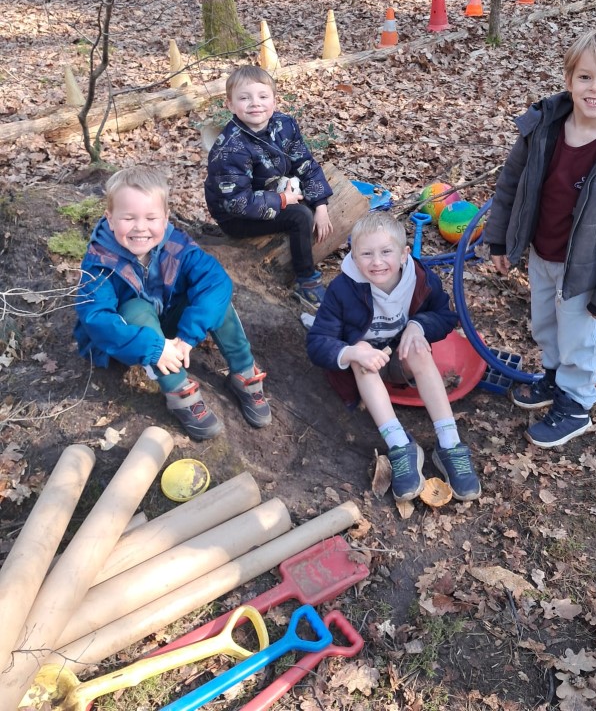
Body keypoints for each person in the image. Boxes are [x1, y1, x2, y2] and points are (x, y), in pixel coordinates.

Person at [485, 28, 596, 449]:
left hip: (586, 271)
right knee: (546, 323)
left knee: (581, 337)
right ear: (569, 79)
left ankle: (576, 404)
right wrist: (500, 241)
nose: (595, 88)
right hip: (543, 252)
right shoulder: (543, 127)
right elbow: (511, 185)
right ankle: (553, 377)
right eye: (586, 77)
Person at [74, 166, 272, 440]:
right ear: (110, 218)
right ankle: (179, 391)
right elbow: (96, 319)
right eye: (128, 218)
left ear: (166, 218)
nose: (140, 227)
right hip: (131, 336)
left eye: (151, 218)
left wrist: (188, 337)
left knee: (214, 297)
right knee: (135, 307)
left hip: (171, 325)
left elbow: (216, 281)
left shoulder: (178, 245)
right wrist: (154, 348)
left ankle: (243, 371)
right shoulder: (99, 262)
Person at [307, 211, 481, 503]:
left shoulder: (421, 279)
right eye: (366, 254)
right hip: (368, 368)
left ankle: (449, 442)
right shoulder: (342, 289)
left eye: (386, 252)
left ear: (403, 254)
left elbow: (445, 315)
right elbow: (317, 341)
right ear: (353, 256)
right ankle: (400, 443)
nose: (377, 262)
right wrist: (350, 351)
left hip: (402, 358)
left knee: (419, 347)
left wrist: (419, 325)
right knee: (360, 357)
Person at [205, 66, 333, 311]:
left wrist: (321, 204)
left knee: (311, 203)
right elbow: (237, 203)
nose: (255, 103)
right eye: (244, 98)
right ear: (230, 104)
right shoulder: (230, 148)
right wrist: (282, 200)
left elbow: (305, 163)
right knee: (300, 215)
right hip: (236, 215)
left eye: (263, 96)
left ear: (274, 101)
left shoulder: (284, 125)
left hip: (268, 189)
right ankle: (306, 280)